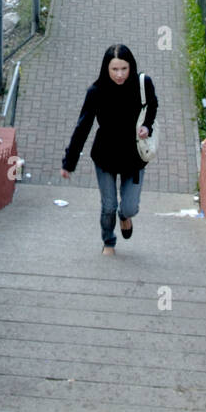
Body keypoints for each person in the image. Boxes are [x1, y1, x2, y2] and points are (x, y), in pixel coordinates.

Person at [61, 44, 158, 255]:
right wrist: (69, 163)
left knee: (130, 207)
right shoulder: (96, 92)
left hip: (134, 157)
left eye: (124, 68)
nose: (120, 74)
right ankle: (109, 242)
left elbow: (152, 105)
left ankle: (125, 217)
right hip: (105, 156)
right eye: (115, 69)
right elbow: (83, 127)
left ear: (131, 66)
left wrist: (147, 126)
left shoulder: (143, 84)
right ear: (106, 68)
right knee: (108, 206)